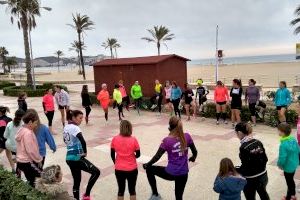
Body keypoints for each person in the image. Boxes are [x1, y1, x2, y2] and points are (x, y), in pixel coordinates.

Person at [143, 116, 198, 200]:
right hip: (184, 173)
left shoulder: (167, 140)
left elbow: (157, 156)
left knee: (149, 169)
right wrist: (193, 158)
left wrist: (148, 164)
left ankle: (155, 194)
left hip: (170, 173)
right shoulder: (187, 136)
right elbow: (195, 152)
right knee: (179, 197)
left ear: (170, 127)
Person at [64, 110, 100, 200]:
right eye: (80, 118)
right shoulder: (75, 128)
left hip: (69, 158)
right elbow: (82, 140)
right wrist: (85, 152)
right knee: (96, 172)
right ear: (73, 118)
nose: (81, 120)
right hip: (76, 157)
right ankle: (86, 195)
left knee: (77, 182)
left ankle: (76, 199)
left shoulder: (66, 127)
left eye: (82, 118)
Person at [235, 122, 270, 200]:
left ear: (239, 133)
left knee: (250, 197)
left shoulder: (243, 147)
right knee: (263, 193)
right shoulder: (258, 142)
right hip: (263, 175)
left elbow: (246, 166)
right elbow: (265, 159)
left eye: (236, 133)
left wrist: (236, 169)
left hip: (251, 179)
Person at [111, 120, 140, 200]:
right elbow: (138, 154)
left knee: (121, 190)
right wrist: (133, 156)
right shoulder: (133, 139)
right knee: (132, 190)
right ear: (130, 128)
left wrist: (116, 162)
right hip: (132, 168)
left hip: (119, 168)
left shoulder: (115, 139)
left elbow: (112, 154)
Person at [16, 111, 43, 187]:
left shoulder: (21, 130)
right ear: (30, 122)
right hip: (27, 162)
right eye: (35, 123)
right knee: (43, 177)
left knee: (31, 181)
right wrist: (39, 159)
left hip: (20, 161)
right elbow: (31, 151)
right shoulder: (28, 133)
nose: (36, 124)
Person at [277, 123, 299, 200]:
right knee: (291, 180)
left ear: (282, 132)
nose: (278, 132)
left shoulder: (283, 145)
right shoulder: (293, 140)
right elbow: (298, 150)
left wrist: (279, 164)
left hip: (288, 167)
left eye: (278, 131)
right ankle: (293, 194)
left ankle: (289, 197)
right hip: (294, 164)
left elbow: (282, 158)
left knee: (289, 182)